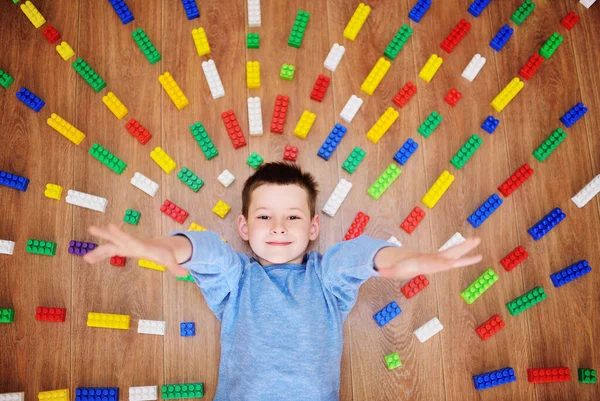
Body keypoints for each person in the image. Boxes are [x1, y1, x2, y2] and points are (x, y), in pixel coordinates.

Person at [84, 162, 481, 401]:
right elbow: (202, 249)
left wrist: (407, 260)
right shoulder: (236, 277)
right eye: (263, 217)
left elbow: (362, 255)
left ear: (312, 227)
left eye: (292, 217)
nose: (277, 227)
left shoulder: (326, 277)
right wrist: (161, 249)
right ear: (243, 226)